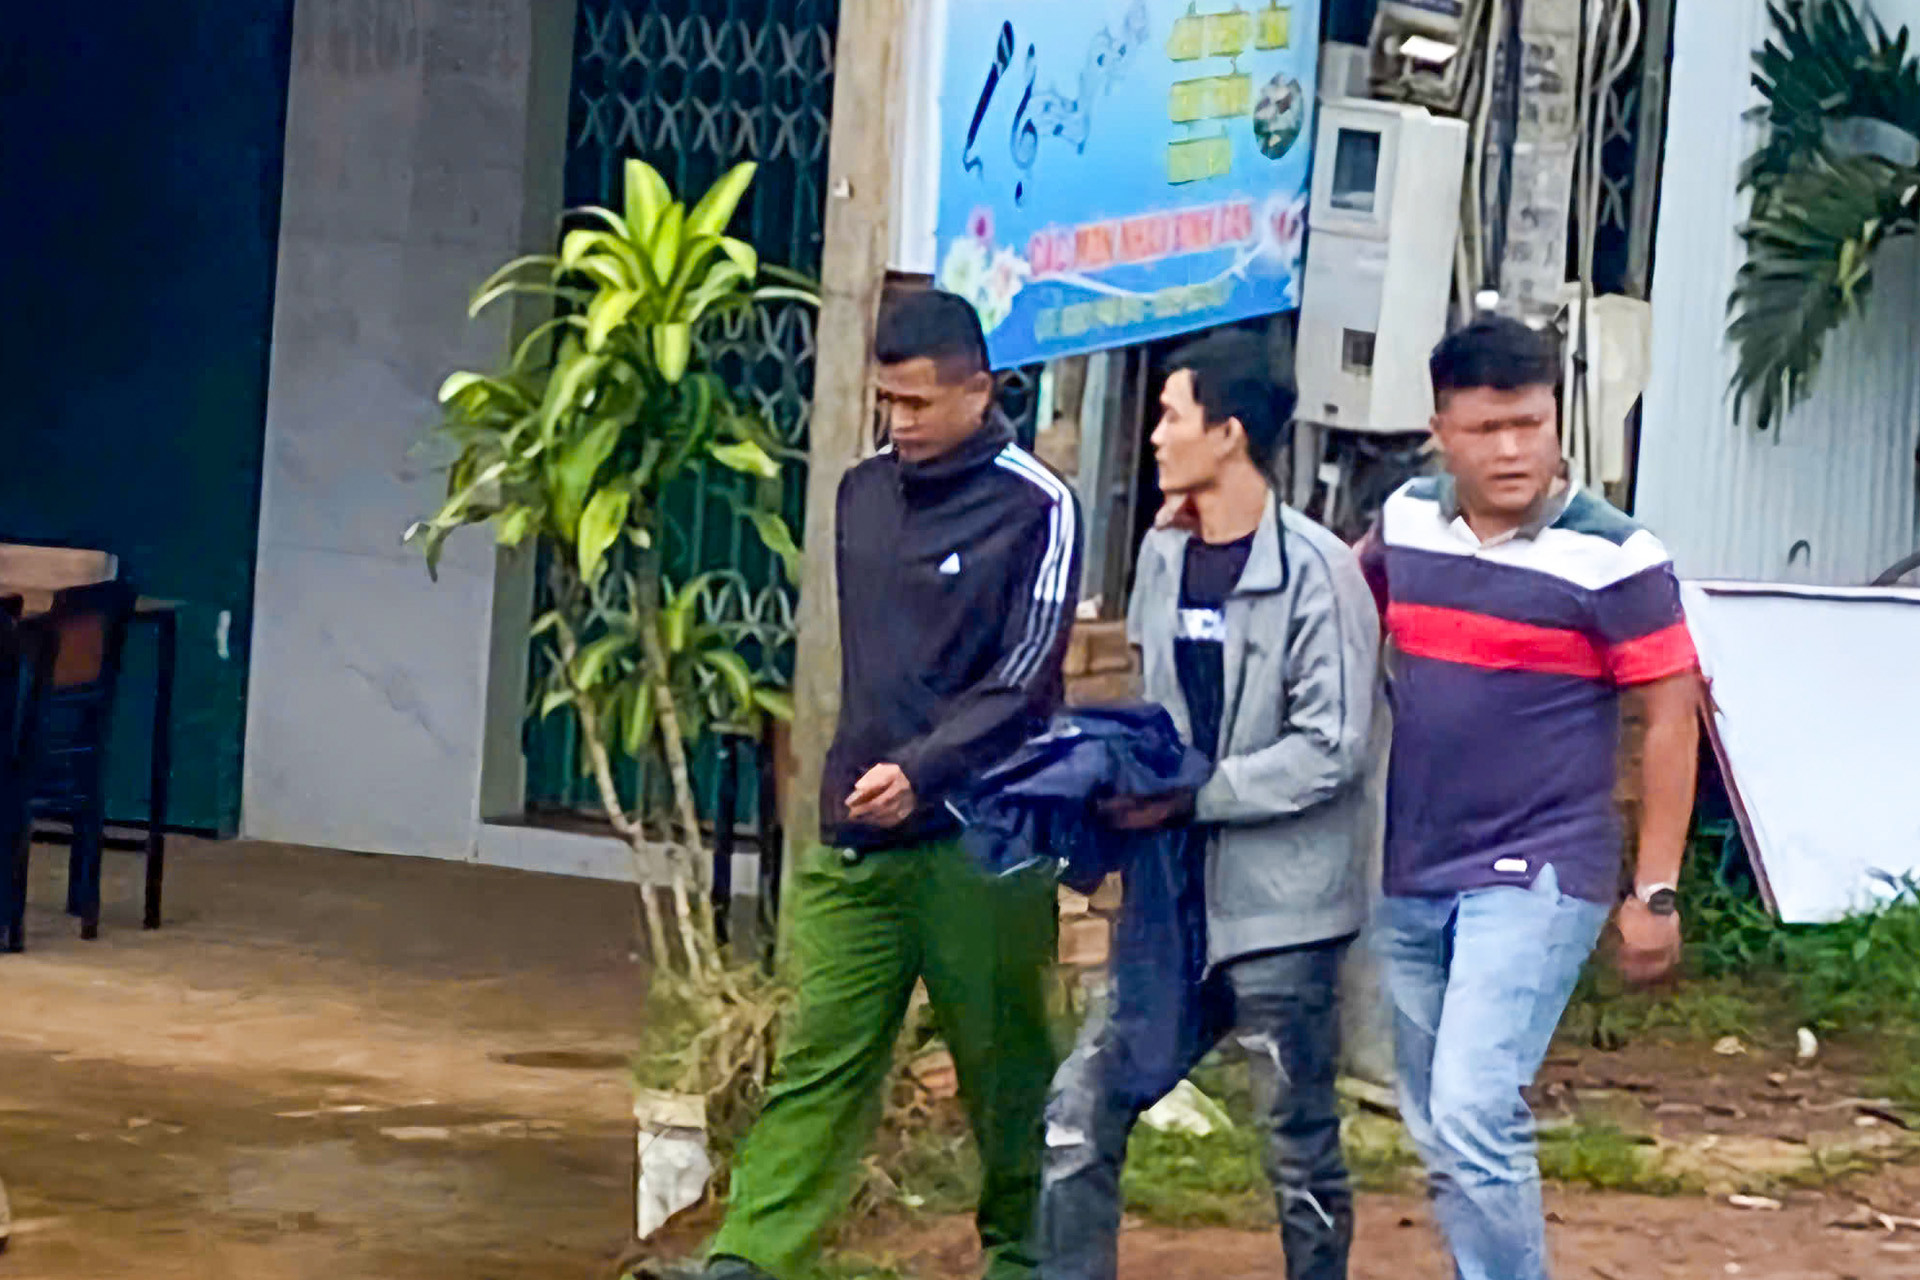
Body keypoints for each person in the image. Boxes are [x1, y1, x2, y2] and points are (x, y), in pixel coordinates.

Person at [671, 289, 1082, 1280]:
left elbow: (1024, 676)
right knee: (820, 1055)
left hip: (985, 833)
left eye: (918, 402)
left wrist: (926, 769)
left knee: (1007, 1067)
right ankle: (748, 1258)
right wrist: (865, 777)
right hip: (861, 832)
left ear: (981, 391)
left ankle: (1028, 1254)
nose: (898, 421)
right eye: (886, 400)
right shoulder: (860, 492)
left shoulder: (1038, 504)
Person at [1358, 316, 1701, 1280]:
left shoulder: (1616, 556)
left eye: (1530, 424)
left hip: (1540, 868)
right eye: (1485, 429)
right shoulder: (1407, 521)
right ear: (1440, 431)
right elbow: (1338, 602)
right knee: (1439, 1120)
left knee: (1472, 1105)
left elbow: (1671, 719)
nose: (1511, 449)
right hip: (1412, 863)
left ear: (1557, 422)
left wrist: (1656, 890)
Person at [1039, 329, 1381, 1280]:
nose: (1154, 435)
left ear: (1228, 434)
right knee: (1079, 1107)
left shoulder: (1319, 573)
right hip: (1171, 901)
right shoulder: (1162, 553)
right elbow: (1157, 706)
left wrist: (1192, 796)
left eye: (1171, 415)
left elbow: (1333, 747)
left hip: (1283, 914)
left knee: (1297, 1149)